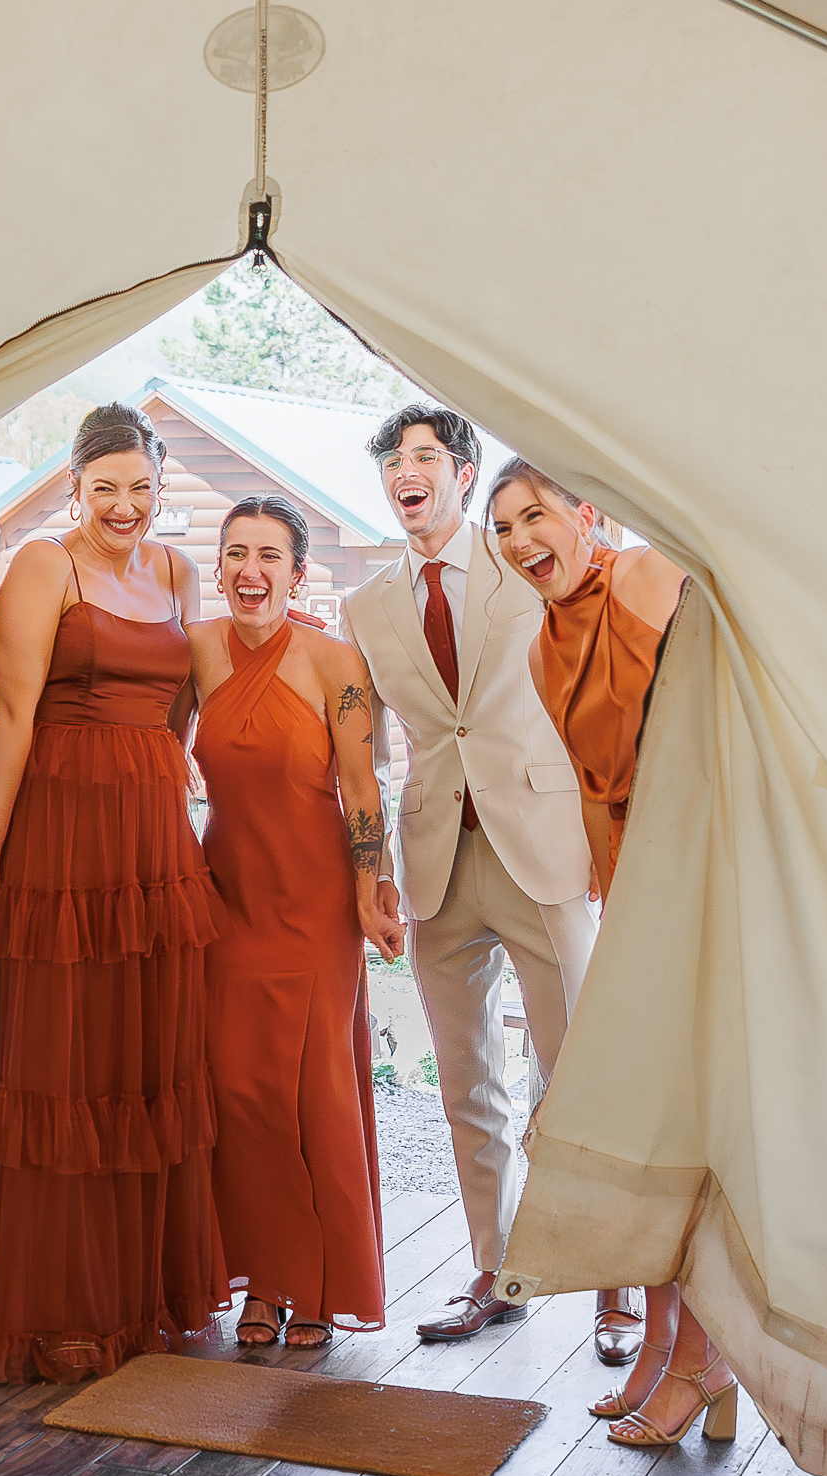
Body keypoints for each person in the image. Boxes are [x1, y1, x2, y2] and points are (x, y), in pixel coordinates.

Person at [0, 402, 226, 1383]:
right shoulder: (42, 566)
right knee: (61, 1063)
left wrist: (175, 765)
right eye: (106, 488)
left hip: (149, 846)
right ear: (75, 488)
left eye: (142, 488)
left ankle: (134, 1296)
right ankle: (58, 1304)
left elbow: (185, 702)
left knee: (140, 1059)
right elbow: (12, 717)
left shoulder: (179, 574)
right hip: (62, 838)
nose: (127, 506)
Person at [337, 405, 612, 1354]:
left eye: (424, 458)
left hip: (543, 843)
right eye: (391, 462)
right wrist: (369, 870)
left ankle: (614, 1281)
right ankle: (496, 1272)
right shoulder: (366, 606)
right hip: (434, 862)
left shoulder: (523, 562)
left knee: (578, 1073)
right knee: (467, 1084)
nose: (405, 474)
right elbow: (364, 753)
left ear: (462, 472)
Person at [490, 458, 734, 1446]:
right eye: (501, 527)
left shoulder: (646, 575)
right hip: (644, 883)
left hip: (711, 860)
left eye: (532, 514)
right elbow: (597, 792)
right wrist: (625, 920)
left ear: (587, 513)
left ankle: (705, 1357)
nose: (517, 539)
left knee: (708, 1129)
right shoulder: (545, 648)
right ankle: (666, 1342)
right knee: (653, 1126)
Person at [187, 496, 405, 1349]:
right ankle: (262, 1279)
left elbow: (362, 790)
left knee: (311, 1091)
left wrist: (369, 891)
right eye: (236, 553)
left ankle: (312, 1282)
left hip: (316, 902)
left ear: (298, 572)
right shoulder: (197, 650)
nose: (250, 570)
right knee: (238, 1089)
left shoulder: (336, 664)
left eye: (269, 555)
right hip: (227, 894)